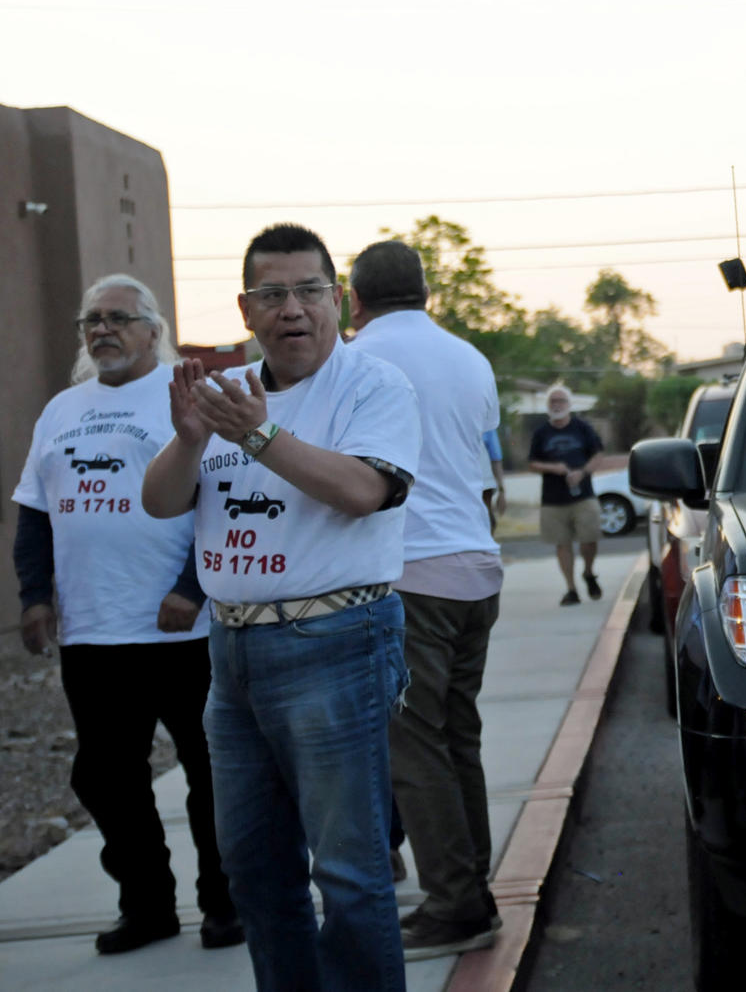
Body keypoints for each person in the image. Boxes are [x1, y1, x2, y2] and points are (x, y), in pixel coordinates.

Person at [141, 223, 421, 991]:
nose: (291, 309)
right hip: (231, 656)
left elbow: (366, 490)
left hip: (337, 640)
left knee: (350, 872)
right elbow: (162, 500)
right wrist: (192, 439)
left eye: (307, 291)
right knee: (256, 871)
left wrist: (259, 433)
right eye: (272, 294)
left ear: (338, 299)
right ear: (246, 307)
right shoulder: (227, 396)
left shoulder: (372, 385)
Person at [9, 274, 241, 955]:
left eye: (118, 317)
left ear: (152, 329)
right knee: (108, 778)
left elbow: (224, 504)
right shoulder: (60, 410)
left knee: (211, 774)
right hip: (93, 632)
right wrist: (33, 595)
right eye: (91, 320)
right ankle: (147, 905)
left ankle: (226, 902)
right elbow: (34, 511)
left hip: (181, 631)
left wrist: (192, 588)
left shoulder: (188, 398)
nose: (101, 329)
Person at [347, 239, 503, 957]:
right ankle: (473, 886)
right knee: (456, 737)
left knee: (413, 746)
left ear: (354, 298)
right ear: (427, 292)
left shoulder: (358, 361)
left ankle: (455, 902)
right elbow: (480, 461)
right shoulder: (469, 357)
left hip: (412, 572)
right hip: (476, 565)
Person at [527, 385, 602, 605]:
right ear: (548, 406)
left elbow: (598, 455)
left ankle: (589, 572)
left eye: (561, 401)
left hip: (583, 495)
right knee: (562, 544)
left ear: (569, 405)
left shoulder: (583, 428)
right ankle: (571, 589)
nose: (557, 405)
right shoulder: (541, 433)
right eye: (553, 401)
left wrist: (583, 472)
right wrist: (555, 468)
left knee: (590, 539)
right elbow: (532, 464)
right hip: (553, 499)